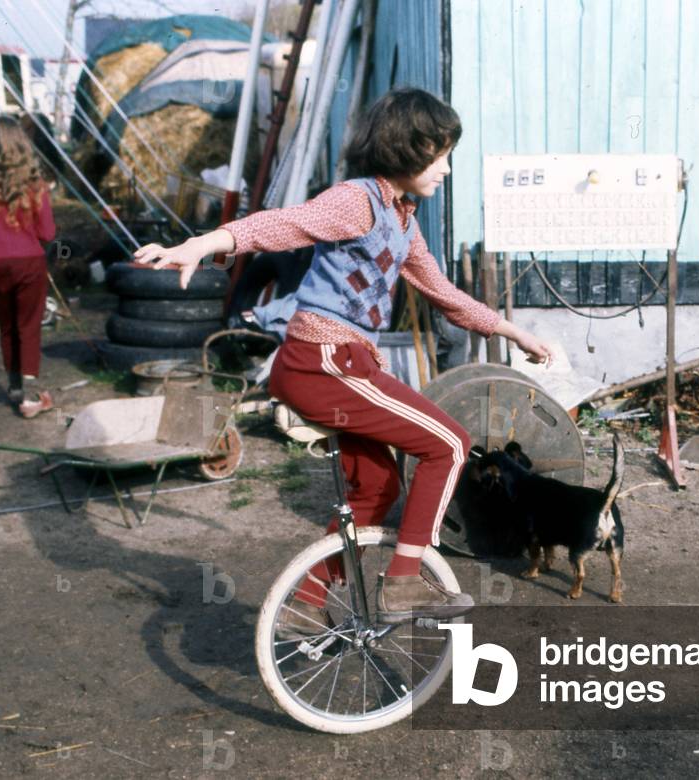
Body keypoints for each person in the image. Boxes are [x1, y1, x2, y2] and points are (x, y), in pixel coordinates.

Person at [135, 88, 552, 631]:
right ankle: (404, 582)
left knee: (378, 488)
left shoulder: (403, 221)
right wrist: (205, 243)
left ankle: (306, 602)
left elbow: (443, 292)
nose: (447, 169)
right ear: (406, 149)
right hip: (324, 360)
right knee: (450, 444)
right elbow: (285, 223)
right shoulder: (358, 200)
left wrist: (512, 331)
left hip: (345, 364)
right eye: (440, 154)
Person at [0, 114, 56, 418]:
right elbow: (47, 234)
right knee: (28, 325)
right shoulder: (34, 181)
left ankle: (14, 385)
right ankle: (29, 398)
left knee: (7, 325)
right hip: (28, 260)